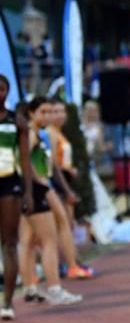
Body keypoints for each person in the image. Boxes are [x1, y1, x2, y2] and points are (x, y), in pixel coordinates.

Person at [18, 98, 81, 306]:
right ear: (31, 113)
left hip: (28, 189)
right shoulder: (32, 133)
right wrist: (39, 181)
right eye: (42, 112)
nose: (47, 116)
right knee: (49, 240)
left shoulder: (35, 132)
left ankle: (30, 287)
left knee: (27, 240)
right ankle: (54, 288)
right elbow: (24, 159)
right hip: (35, 189)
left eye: (49, 112)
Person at [46, 99, 94, 279]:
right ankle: (69, 264)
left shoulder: (61, 133)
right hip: (58, 183)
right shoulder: (51, 134)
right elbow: (54, 165)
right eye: (54, 111)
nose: (59, 115)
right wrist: (66, 188)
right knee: (63, 225)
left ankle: (73, 262)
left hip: (65, 180)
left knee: (67, 225)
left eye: (61, 111)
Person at [0, 79, 34, 319]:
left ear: (7, 92)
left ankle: (7, 303)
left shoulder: (17, 123)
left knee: (9, 243)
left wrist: (28, 192)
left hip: (8, 184)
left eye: (1, 89)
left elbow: (25, 160)